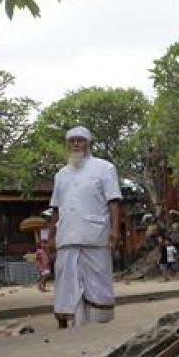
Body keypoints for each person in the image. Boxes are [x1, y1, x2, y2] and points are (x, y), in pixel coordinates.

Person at [48, 126, 123, 328]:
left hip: (95, 235)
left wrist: (115, 230)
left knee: (97, 282)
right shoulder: (60, 175)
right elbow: (55, 208)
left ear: (88, 144)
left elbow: (113, 201)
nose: (75, 144)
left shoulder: (104, 168)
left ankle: (98, 324)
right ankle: (71, 322)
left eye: (80, 140)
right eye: (71, 141)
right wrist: (51, 236)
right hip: (66, 237)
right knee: (66, 283)